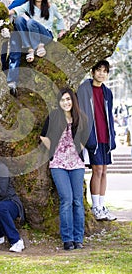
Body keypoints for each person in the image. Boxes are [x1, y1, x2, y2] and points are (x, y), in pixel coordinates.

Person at [40, 87, 88, 251]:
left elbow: (86, 138)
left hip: (76, 165)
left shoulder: (81, 118)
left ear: (73, 101)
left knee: (77, 201)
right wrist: (53, 149)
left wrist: (78, 149)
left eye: (68, 99)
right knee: (66, 199)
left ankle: (78, 238)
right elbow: (42, 136)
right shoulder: (54, 116)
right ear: (59, 102)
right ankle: (67, 239)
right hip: (58, 164)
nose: (66, 102)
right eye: (62, 100)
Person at [77, 60, 117, 221]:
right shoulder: (85, 89)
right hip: (92, 136)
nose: (101, 73)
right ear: (92, 72)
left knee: (104, 171)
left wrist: (112, 136)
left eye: (104, 71)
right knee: (97, 170)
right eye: (98, 70)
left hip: (105, 137)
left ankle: (101, 206)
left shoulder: (108, 92)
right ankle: (95, 207)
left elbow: (110, 116)